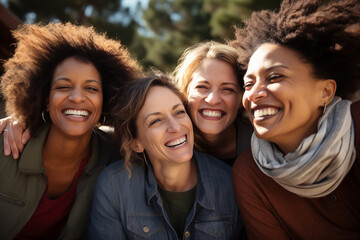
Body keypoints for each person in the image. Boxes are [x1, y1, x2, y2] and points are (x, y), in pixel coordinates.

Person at [230, 0, 360, 239]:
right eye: (248, 84)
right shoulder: (249, 175)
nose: (254, 94)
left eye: (275, 76)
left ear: (325, 92)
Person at [0, 22, 140, 240]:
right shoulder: (5, 145)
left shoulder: (116, 157)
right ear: (45, 99)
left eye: (91, 88)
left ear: (106, 101)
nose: (77, 97)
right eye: (63, 87)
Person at [88, 75, 246, 239]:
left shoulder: (230, 184)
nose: (176, 127)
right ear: (136, 143)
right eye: (156, 120)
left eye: (179, 112)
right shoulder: (114, 187)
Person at [173, 41, 253, 165]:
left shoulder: (264, 144)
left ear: (241, 98)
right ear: (185, 91)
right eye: (202, 87)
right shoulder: (171, 141)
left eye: (227, 89)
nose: (213, 100)